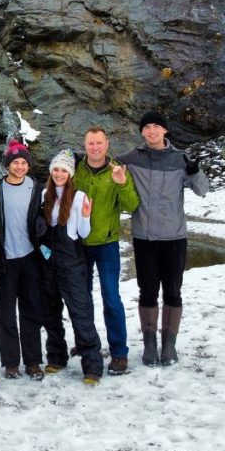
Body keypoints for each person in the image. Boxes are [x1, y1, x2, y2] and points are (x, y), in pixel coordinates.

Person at [119, 112, 209, 366]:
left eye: (156, 126)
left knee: (173, 291)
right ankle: (149, 345)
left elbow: (202, 190)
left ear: (165, 131)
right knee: (147, 291)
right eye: (146, 127)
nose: (151, 131)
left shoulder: (180, 159)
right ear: (142, 132)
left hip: (174, 238)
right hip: (144, 238)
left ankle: (169, 345)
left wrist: (194, 172)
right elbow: (103, 165)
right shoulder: (132, 158)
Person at [72, 126, 140, 376]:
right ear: (85, 144)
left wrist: (121, 183)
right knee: (82, 299)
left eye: (99, 143)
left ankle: (119, 352)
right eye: (90, 143)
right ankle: (87, 345)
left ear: (107, 144)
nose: (95, 147)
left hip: (107, 244)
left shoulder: (117, 171)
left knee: (111, 298)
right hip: (79, 244)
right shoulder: (76, 169)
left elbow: (132, 205)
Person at [38, 149, 105, 385]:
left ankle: (92, 365)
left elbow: (82, 234)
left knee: (80, 312)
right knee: (51, 312)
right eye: (55, 169)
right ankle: (56, 356)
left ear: (70, 173)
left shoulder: (78, 197)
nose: (59, 173)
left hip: (72, 262)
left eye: (63, 170)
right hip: (48, 262)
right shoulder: (44, 194)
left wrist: (86, 216)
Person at [0, 140, 46, 380]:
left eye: (24, 162)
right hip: (5, 260)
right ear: (7, 165)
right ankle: (11, 362)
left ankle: (33, 361)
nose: (20, 166)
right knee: (6, 312)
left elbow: (46, 214)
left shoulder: (36, 187)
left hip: (30, 258)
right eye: (15, 162)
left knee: (31, 310)